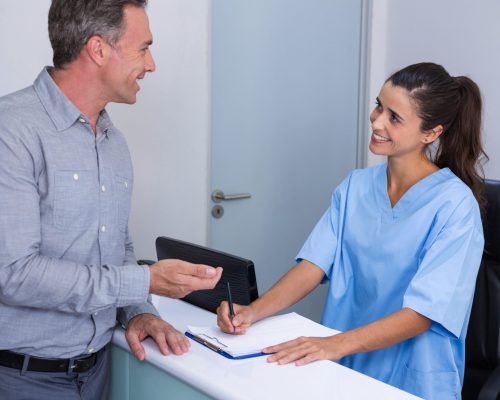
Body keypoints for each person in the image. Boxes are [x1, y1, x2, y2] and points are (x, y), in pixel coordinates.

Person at [217, 62, 486, 400]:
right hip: (342, 366)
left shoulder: (455, 205)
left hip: (409, 377)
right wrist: (252, 312)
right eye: (379, 106)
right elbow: (313, 266)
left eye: (394, 117)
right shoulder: (356, 186)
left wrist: (334, 344)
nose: (376, 121)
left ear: (431, 133)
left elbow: (423, 313)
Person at [0, 1, 222, 399]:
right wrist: (146, 281)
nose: (151, 65)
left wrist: (139, 311)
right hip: (21, 379)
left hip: (98, 373)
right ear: (98, 49)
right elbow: (14, 274)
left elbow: (116, 247)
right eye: (143, 48)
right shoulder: (11, 132)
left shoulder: (112, 141)